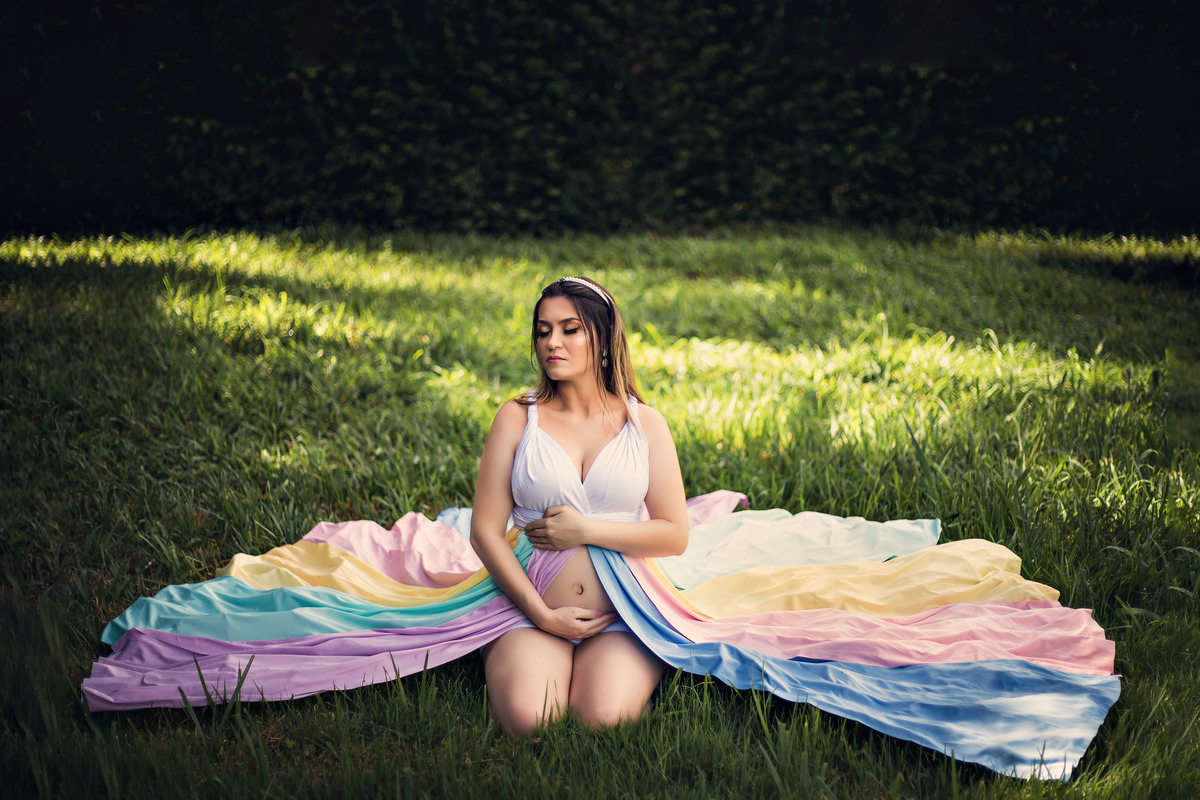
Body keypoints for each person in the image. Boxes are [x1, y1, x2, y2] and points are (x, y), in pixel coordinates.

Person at [468, 276, 689, 734]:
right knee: (530, 722)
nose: (552, 342)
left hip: (622, 610)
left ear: (603, 338)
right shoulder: (517, 416)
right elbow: (485, 531)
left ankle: (630, 673)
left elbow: (674, 533)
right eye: (543, 330)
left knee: (602, 721)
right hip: (528, 606)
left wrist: (584, 530)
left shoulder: (644, 422)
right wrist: (542, 614)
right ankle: (515, 659)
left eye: (570, 329)